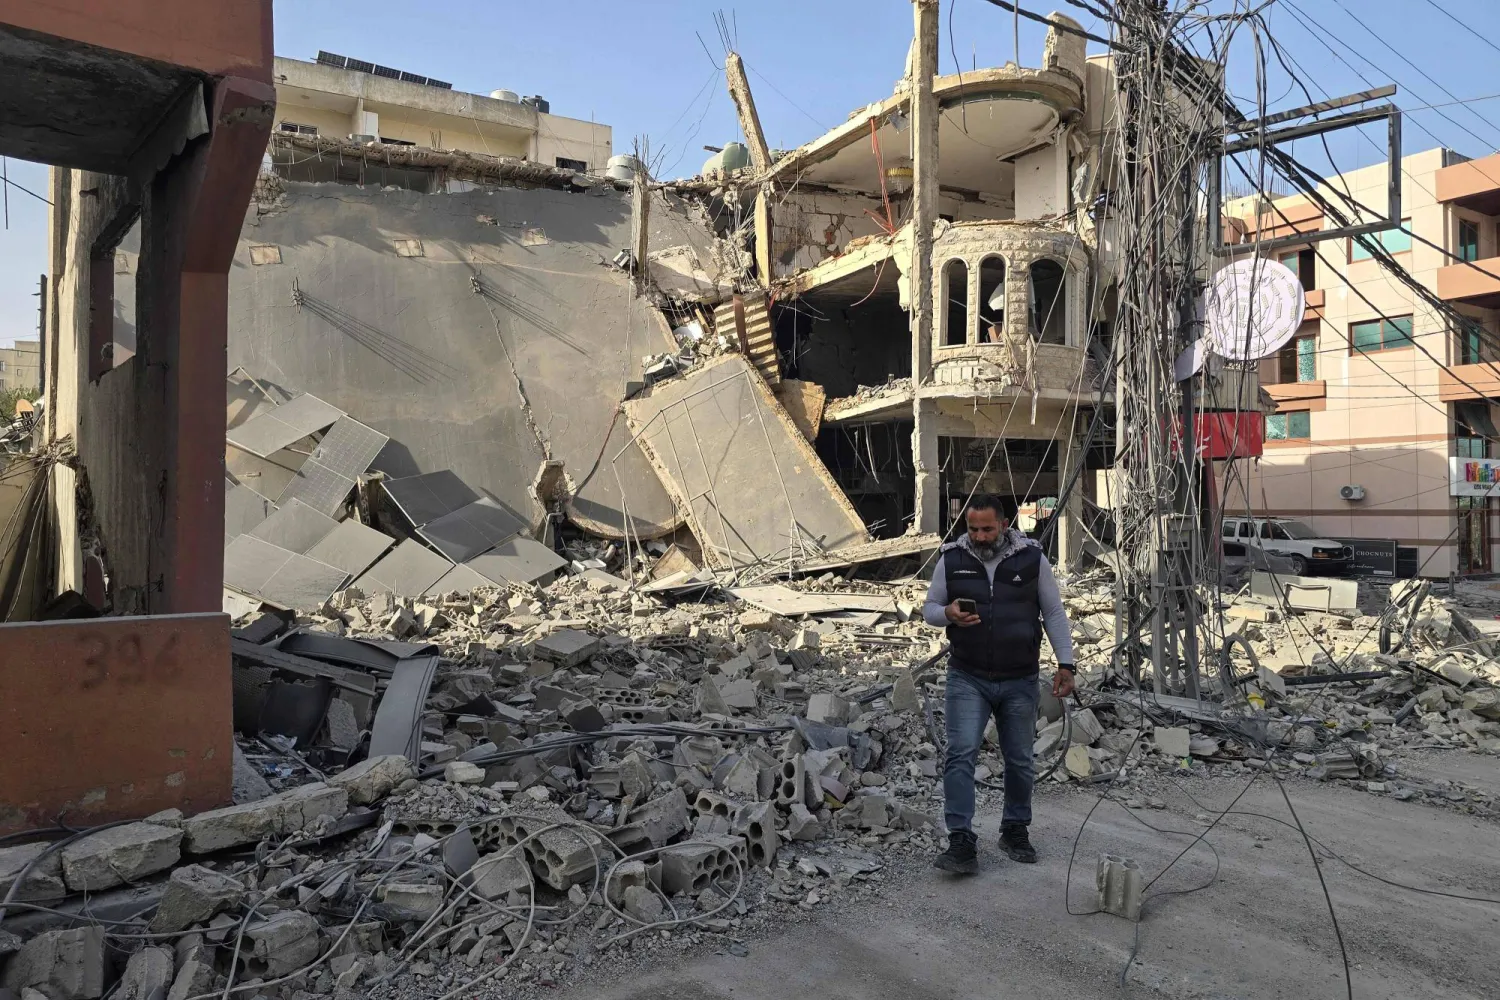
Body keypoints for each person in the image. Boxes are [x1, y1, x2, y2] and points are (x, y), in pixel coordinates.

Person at [922, 494, 1075, 874]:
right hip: (967, 676)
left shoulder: (1032, 559)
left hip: (1019, 678)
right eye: (973, 528)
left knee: (1020, 759)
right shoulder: (951, 559)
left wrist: (1066, 664)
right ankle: (960, 841)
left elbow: (1053, 612)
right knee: (960, 755)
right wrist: (948, 614)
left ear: (1004, 524)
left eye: (987, 528)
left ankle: (1015, 829)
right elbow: (929, 609)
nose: (979, 535)